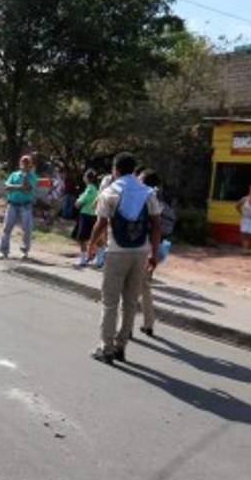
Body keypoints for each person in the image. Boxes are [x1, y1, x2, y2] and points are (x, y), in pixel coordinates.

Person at [86, 152, 162, 363]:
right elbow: (156, 226)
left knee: (109, 302)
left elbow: (100, 224)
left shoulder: (110, 192)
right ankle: (121, 347)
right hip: (141, 252)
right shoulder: (148, 193)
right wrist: (154, 254)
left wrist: (92, 245)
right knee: (129, 302)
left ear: (115, 169)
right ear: (133, 169)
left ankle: (106, 348)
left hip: (116, 252)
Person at [137, 170, 174, 337]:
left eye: (140, 178)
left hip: (142, 246)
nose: (137, 180)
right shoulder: (158, 197)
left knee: (132, 288)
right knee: (144, 286)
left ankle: (126, 327)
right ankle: (148, 323)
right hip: (152, 247)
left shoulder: (146, 197)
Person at [0, 155, 36, 260]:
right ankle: (3, 251)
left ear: (30, 164)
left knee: (27, 229)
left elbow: (27, 189)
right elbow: (7, 187)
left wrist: (24, 177)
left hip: (26, 205)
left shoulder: (32, 176)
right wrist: (19, 187)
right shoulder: (14, 175)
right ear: (20, 163)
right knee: (7, 228)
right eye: (23, 162)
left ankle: (25, 251)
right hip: (13, 204)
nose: (24, 164)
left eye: (27, 162)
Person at [71, 169, 100, 267]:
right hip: (93, 215)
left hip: (86, 215)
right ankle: (97, 257)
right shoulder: (96, 189)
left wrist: (77, 203)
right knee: (93, 237)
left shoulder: (90, 189)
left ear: (87, 178)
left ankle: (83, 259)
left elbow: (80, 203)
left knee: (81, 238)